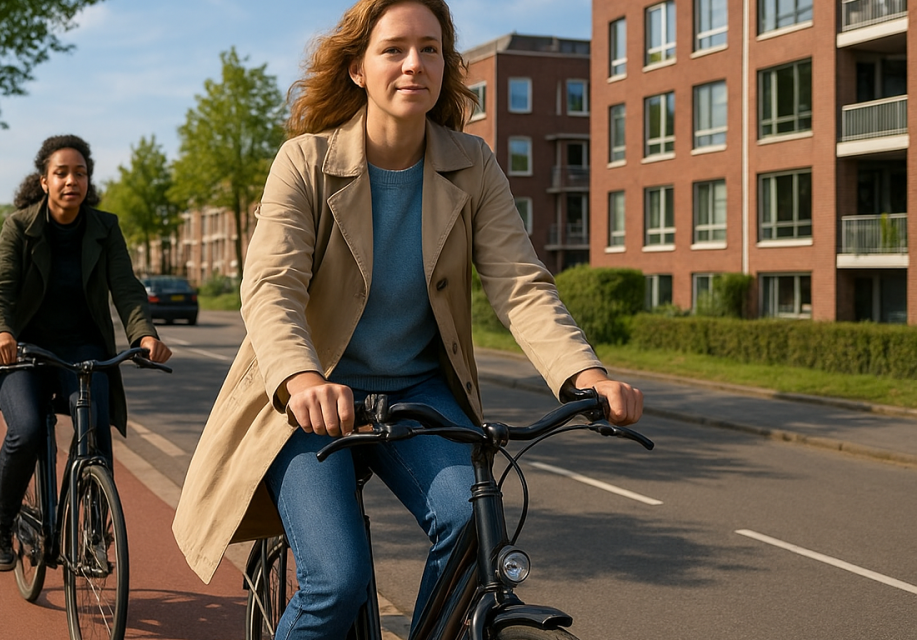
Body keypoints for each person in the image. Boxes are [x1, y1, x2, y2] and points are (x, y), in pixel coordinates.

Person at [171, 1, 644, 637]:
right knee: (336, 582)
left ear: (445, 65)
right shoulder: (305, 161)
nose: (414, 63)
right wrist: (301, 379)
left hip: (418, 392)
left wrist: (585, 375)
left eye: (430, 48)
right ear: (358, 69)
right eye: (393, 49)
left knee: (474, 523)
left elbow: (519, 283)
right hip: (314, 394)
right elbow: (271, 286)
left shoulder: (473, 164)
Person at [0, 134, 172, 572]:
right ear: (44, 181)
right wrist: (1, 333)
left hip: (83, 348)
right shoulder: (19, 227)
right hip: (22, 350)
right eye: (61, 173)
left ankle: (95, 533)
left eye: (80, 173)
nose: (72, 181)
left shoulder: (105, 228)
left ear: (88, 180)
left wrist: (144, 334)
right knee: (28, 429)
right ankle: (1, 524)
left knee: (95, 433)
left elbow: (126, 289)